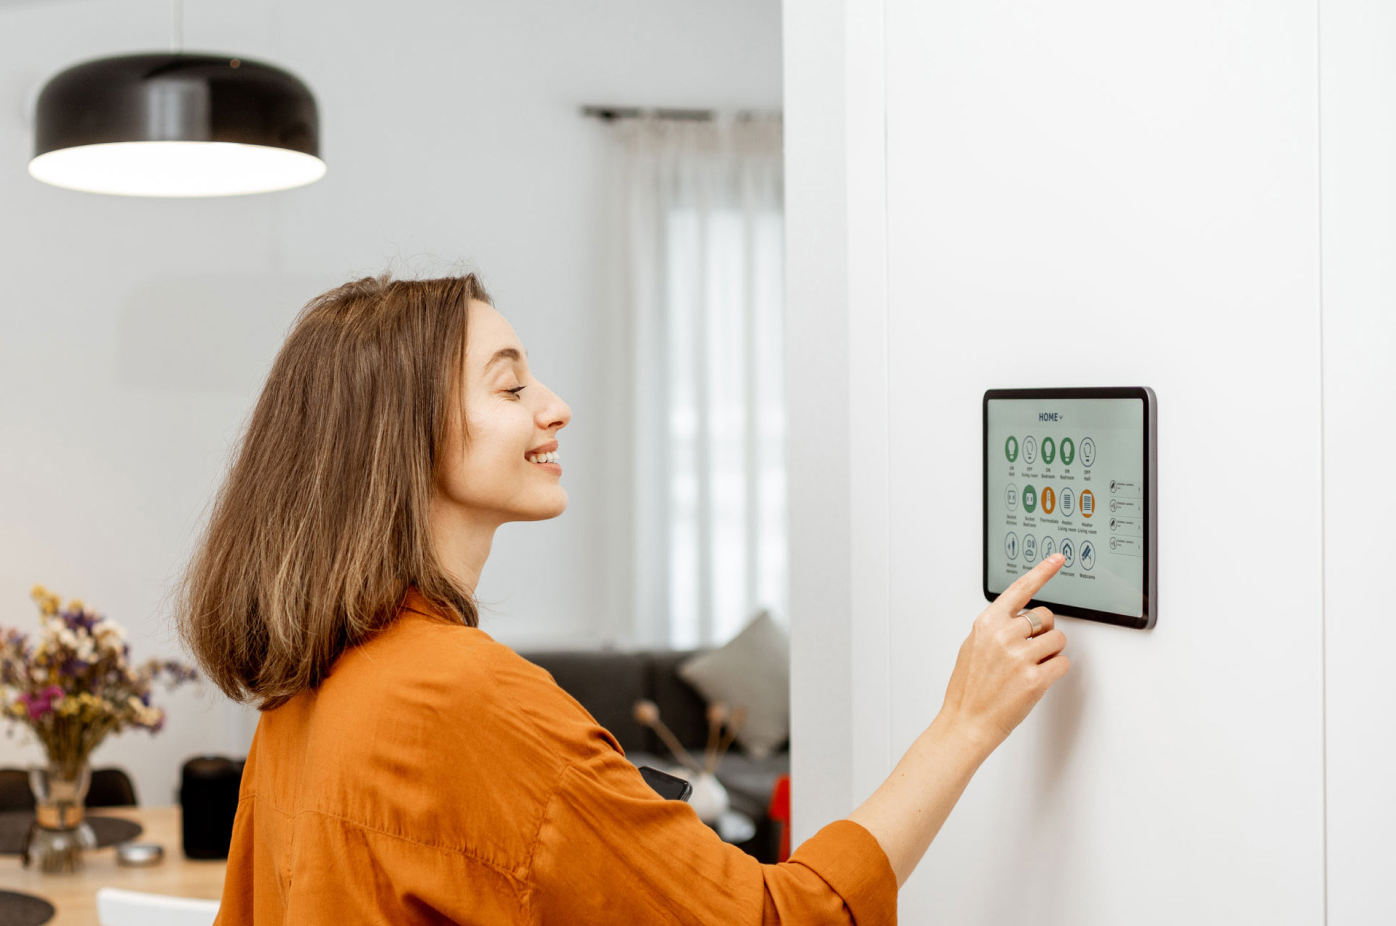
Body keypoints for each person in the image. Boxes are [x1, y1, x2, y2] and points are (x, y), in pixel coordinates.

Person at [179, 274, 1071, 925]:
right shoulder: (462, 698)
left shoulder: (306, 694)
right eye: (511, 384)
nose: (556, 406)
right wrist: (964, 723)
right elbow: (773, 920)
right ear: (402, 437)